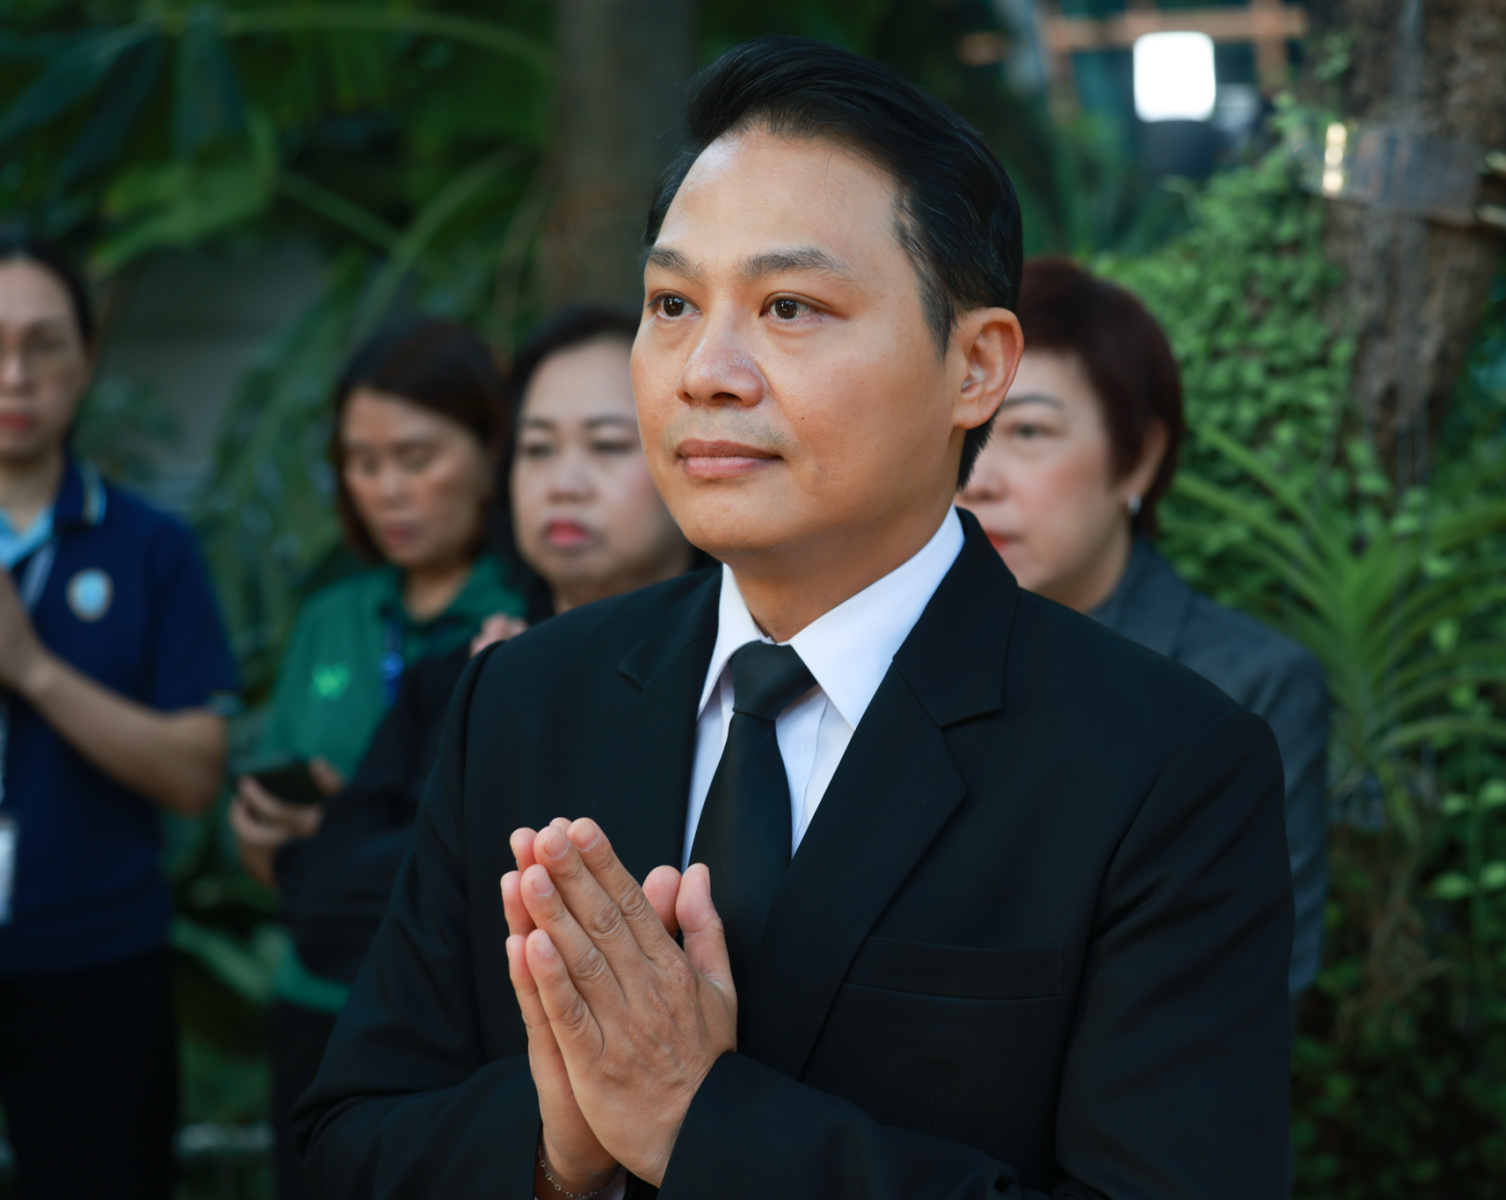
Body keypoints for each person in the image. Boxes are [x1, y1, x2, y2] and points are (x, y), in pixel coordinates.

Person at [297, 36, 1293, 1200]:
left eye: (789, 306)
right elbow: (348, 1146)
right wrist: (554, 1141)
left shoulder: (1160, 767)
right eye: (672, 302)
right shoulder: (524, 701)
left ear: (977, 366)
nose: (706, 371)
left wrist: (698, 1124)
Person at [250, 305, 697, 1200]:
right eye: (537, 449)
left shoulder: (753, 687)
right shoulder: (465, 679)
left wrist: (447, 876)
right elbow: (322, 899)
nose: (564, 482)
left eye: (607, 445)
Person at [957, 257, 1330, 1001]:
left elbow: (1246, 983)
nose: (978, 479)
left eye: (1027, 430)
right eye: (964, 428)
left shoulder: (1243, 686)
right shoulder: (880, 645)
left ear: (1140, 458)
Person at [228, 317, 524, 1198]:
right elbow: (255, 845)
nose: (387, 489)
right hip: (317, 997)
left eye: (416, 457)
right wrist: (270, 831)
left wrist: (333, 836)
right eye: (362, 462)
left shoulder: (524, 616)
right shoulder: (332, 616)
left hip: (455, 1018)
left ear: (491, 454)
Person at [0, 233, 240, 1200]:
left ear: (87, 358)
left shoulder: (151, 548)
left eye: (44, 344)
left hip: (96, 964)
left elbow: (194, 774)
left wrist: (34, 671)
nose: (15, 374)